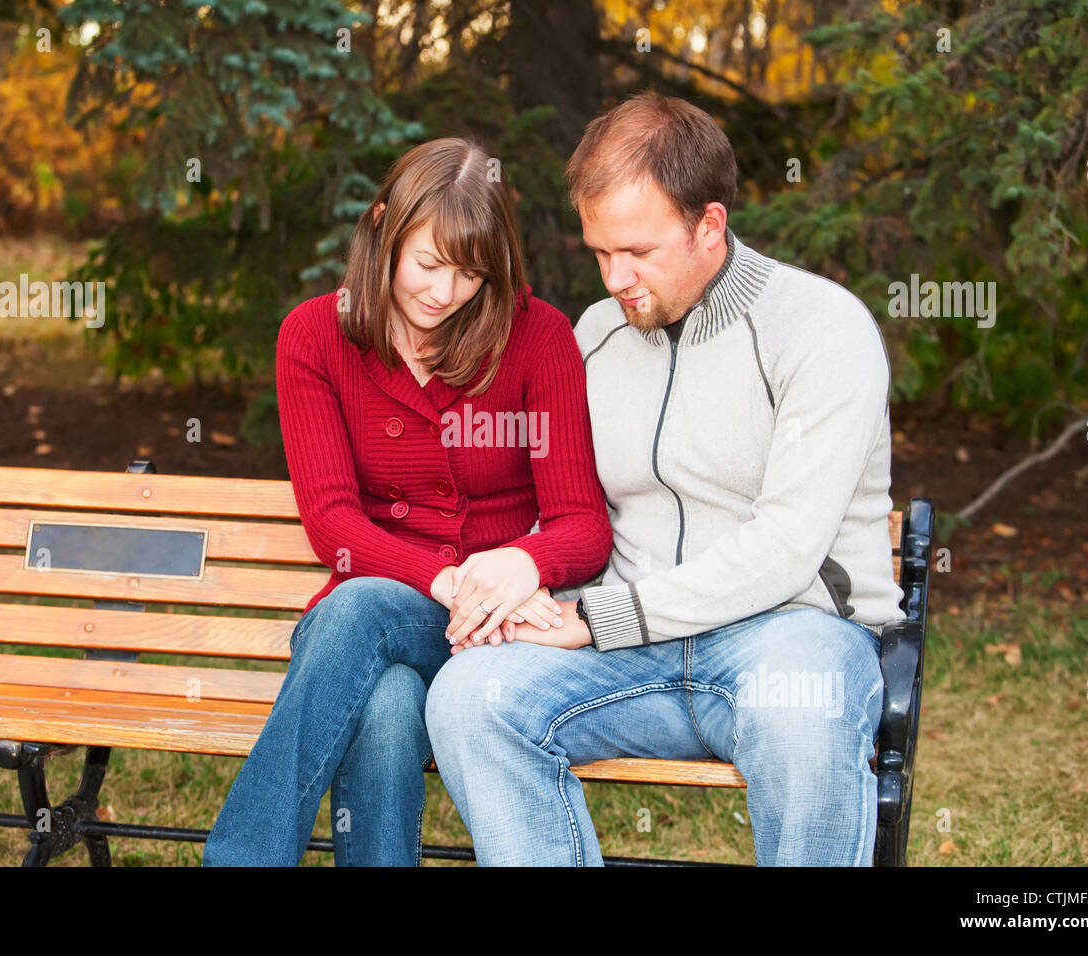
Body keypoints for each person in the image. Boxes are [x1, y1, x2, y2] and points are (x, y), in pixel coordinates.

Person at [425, 91, 908, 866]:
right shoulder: (593, 336)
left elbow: (784, 548)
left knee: (801, 710)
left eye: (639, 252)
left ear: (709, 226)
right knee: (469, 697)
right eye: (599, 252)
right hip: (631, 655)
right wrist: (526, 576)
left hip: (790, 634)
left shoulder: (822, 329)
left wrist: (601, 619)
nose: (616, 277)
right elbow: (562, 503)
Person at [202, 137, 613, 866]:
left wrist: (518, 565)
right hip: (371, 621)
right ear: (382, 227)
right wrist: (447, 579)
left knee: (358, 613)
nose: (443, 292)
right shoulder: (316, 336)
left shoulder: (538, 337)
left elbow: (583, 525)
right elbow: (334, 525)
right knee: (385, 697)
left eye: (469, 273)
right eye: (427, 264)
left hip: (490, 635)